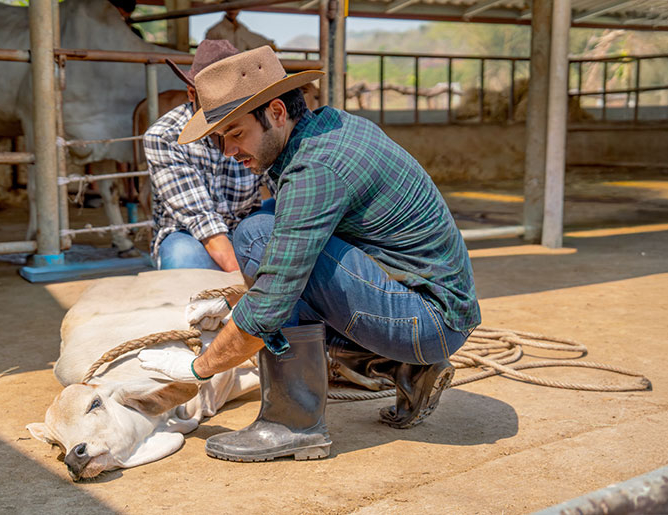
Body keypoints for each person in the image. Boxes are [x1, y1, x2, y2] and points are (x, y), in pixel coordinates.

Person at [139, 46, 481, 462]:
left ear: (278, 112)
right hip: (429, 305)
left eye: (236, 133)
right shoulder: (330, 127)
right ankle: (398, 368)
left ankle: (290, 423)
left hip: (425, 321)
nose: (228, 151)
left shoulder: (314, 169)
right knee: (272, 235)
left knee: (256, 239)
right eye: (220, 139)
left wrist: (197, 369)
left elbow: (272, 301)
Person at [144, 40, 274, 270]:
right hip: (191, 235)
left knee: (294, 210)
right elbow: (202, 221)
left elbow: (279, 181)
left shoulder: (256, 123)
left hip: (247, 222)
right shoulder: (164, 136)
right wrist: (250, 289)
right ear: (192, 93)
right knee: (184, 258)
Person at [205, 8, 276, 52]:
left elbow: (253, 39)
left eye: (236, 6)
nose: (233, 9)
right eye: (230, 5)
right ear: (225, 7)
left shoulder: (241, 29)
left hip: (238, 69)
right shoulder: (213, 32)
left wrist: (268, 43)